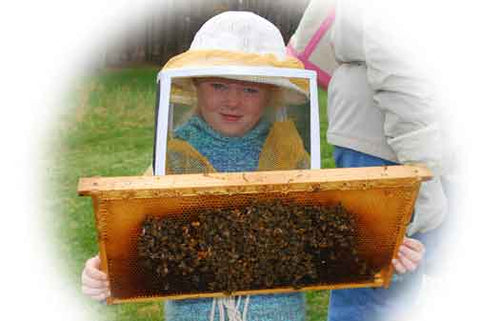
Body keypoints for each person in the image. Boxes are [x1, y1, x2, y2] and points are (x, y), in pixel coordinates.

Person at [81, 10, 425, 321]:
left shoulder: (288, 151)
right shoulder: (174, 157)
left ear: (271, 93)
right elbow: (137, 245)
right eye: (218, 85)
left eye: (249, 89)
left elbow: (326, 240)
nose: (232, 100)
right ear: (196, 87)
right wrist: (103, 272)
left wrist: (385, 248)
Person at [288, 1, 447, 320]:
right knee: (377, 287)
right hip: (391, 138)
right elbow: (398, 56)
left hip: (397, 133)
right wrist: (423, 170)